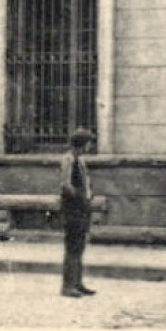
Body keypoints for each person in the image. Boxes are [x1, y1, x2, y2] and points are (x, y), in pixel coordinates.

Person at [58, 127, 97, 297]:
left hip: (82, 208)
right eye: (89, 142)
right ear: (82, 143)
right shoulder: (68, 159)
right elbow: (66, 184)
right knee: (72, 247)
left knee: (80, 246)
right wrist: (79, 198)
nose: (90, 146)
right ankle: (67, 287)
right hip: (73, 208)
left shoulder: (79, 160)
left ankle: (77, 283)